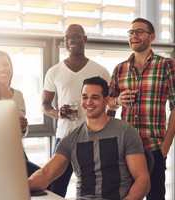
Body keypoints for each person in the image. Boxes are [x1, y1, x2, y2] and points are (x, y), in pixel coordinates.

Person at [29, 76, 150, 200]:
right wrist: (22, 185)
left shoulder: (125, 131)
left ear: (106, 100)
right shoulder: (71, 138)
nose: (88, 102)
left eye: (95, 97)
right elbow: (45, 174)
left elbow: (142, 179)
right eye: (85, 97)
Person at [108, 18, 175, 200]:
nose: (134, 36)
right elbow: (108, 102)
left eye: (139, 32)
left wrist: (166, 146)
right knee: (125, 196)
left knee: (155, 197)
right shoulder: (120, 69)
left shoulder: (166, 65)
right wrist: (117, 100)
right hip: (125, 148)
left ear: (151, 37)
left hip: (154, 147)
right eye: (131, 32)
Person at [42, 24, 111, 197]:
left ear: (84, 39)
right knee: (56, 189)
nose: (71, 39)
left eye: (76, 35)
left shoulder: (100, 71)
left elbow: (110, 104)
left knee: (92, 190)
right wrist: (58, 113)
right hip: (64, 138)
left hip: (93, 140)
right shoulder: (54, 71)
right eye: (67, 37)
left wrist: (106, 130)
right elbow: (45, 104)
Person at [0, 50, 40, 177]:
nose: (2, 69)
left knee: (42, 181)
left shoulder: (18, 95)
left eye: (5, 64)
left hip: (16, 153)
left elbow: (21, 134)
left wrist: (22, 127)